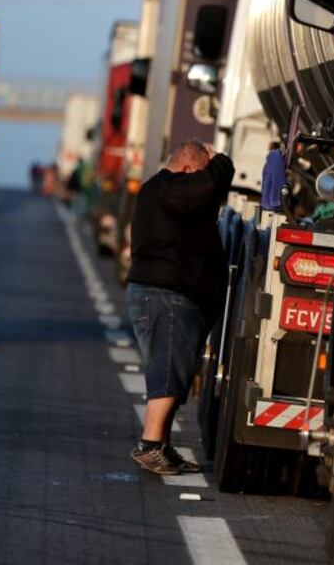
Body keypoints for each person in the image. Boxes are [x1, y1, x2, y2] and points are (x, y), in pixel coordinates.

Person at [125, 141, 234, 474]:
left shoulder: (163, 193)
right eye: (202, 171)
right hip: (166, 296)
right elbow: (207, 187)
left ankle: (161, 444)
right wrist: (222, 163)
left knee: (175, 369)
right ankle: (151, 444)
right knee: (169, 369)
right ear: (188, 169)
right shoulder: (168, 188)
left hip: (165, 295)